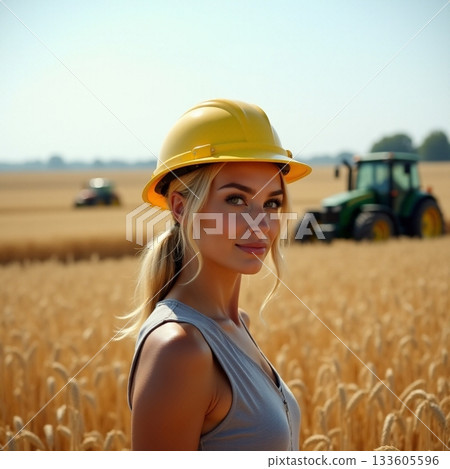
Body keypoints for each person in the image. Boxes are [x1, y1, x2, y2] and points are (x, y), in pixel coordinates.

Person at [121, 99, 312, 450]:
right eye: (236, 200)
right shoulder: (178, 349)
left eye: (271, 203)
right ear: (181, 208)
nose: (261, 225)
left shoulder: (238, 323)